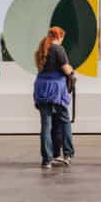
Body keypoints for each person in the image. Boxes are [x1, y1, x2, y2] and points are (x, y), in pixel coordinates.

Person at [33, 27, 76, 169]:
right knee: (65, 121)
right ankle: (68, 153)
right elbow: (66, 69)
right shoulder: (59, 49)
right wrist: (72, 71)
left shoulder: (41, 49)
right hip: (56, 88)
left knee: (46, 124)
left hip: (41, 87)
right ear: (60, 36)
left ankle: (47, 159)